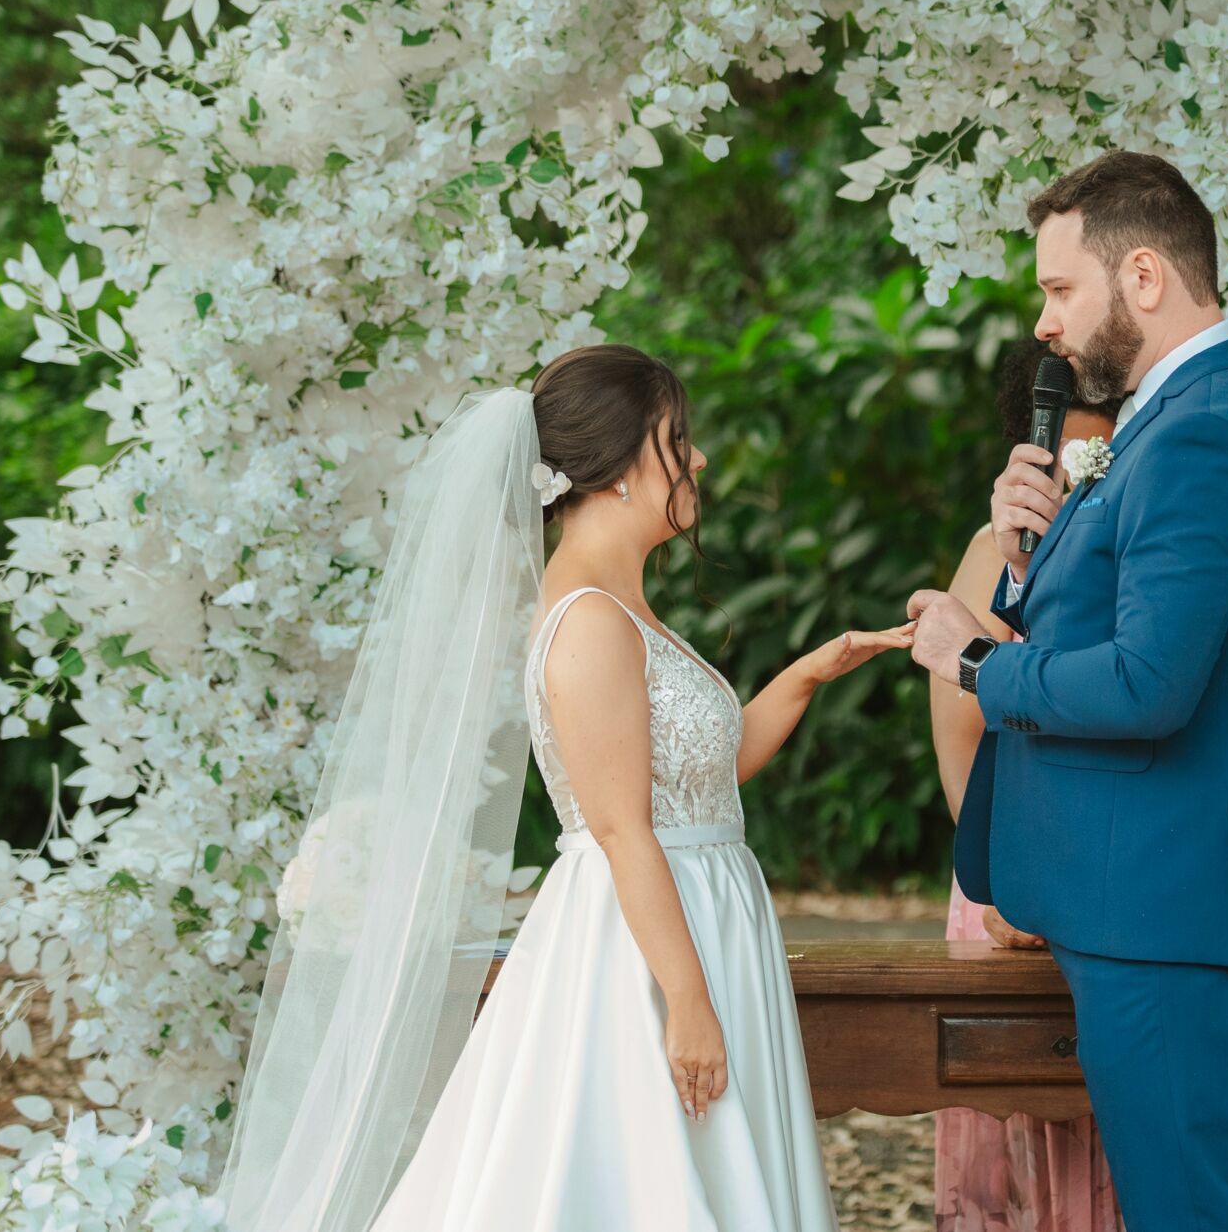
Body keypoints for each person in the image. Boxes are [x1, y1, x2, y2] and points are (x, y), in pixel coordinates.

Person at [214, 345, 912, 1232]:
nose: (698, 460)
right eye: (677, 440)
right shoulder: (589, 619)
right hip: (641, 945)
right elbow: (623, 829)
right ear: (618, 466)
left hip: (702, 909)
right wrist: (688, 1000)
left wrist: (810, 674)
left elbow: (702, 779)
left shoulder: (622, 604)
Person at [907, 151, 1228, 1232]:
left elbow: (1148, 684)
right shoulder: (1173, 414)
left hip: (1166, 908)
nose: (1044, 323)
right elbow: (1111, 623)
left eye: (1060, 289)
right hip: (1137, 902)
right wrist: (1021, 555)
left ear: (1143, 275)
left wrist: (975, 661)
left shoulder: (1203, 431)